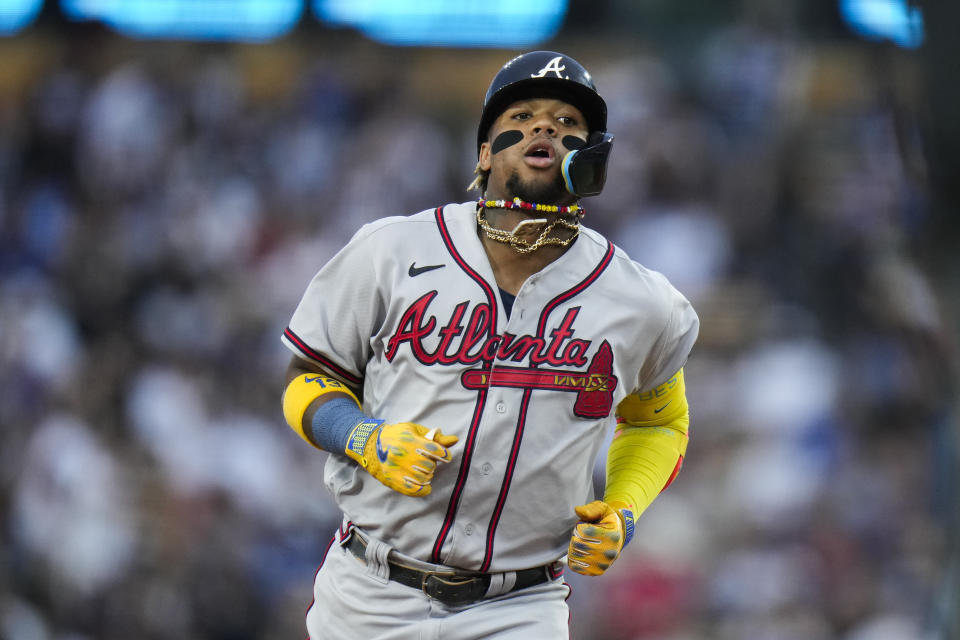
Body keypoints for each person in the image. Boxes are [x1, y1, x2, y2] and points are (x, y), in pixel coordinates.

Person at [280, 50, 699, 639]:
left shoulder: (642, 302)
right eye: (522, 115)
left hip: (518, 605)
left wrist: (623, 508)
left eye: (567, 123)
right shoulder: (390, 252)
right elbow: (309, 379)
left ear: (593, 156)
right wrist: (362, 437)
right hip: (369, 591)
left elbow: (659, 423)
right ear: (484, 152)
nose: (545, 128)